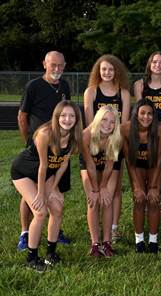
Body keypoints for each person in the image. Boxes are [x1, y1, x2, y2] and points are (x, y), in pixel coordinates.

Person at [11, 100, 83, 272]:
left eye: (71, 116)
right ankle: (32, 257)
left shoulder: (75, 137)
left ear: (77, 119)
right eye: (63, 115)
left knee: (57, 207)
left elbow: (63, 164)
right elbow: (42, 166)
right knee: (41, 211)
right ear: (56, 117)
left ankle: (51, 254)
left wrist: (52, 189)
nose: (67, 119)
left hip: (48, 173)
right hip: (24, 171)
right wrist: (42, 193)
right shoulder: (45, 133)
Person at [17, 50, 72, 252]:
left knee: (55, 192)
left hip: (58, 149)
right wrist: (29, 141)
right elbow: (22, 117)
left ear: (64, 66)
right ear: (44, 64)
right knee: (31, 193)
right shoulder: (34, 86)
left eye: (60, 65)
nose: (57, 69)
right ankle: (25, 233)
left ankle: (55, 231)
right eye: (53, 65)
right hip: (39, 146)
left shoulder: (65, 85)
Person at [84, 54, 131, 243]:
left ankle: (113, 228)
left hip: (115, 144)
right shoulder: (92, 91)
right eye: (103, 69)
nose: (107, 73)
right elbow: (90, 122)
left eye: (111, 69)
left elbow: (125, 123)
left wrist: (113, 142)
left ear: (116, 71)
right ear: (98, 70)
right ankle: (96, 236)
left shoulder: (124, 93)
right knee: (95, 192)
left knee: (114, 191)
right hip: (95, 144)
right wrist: (98, 142)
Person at [121, 99, 161, 254]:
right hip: (137, 165)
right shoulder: (126, 129)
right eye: (142, 113)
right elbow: (129, 161)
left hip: (155, 165)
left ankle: (153, 241)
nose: (146, 117)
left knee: (154, 200)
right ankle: (139, 241)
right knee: (139, 199)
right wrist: (138, 187)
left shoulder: (160, 129)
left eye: (149, 114)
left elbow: (160, 158)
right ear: (136, 114)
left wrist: (154, 187)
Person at [134, 51, 161, 212]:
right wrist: (149, 127)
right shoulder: (140, 85)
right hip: (144, 125)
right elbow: (139, 111)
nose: (158, 65)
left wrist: (159, 127)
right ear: (149, 64)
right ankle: (143, 191)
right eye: (154, 62)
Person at [80, 106, 122, 257]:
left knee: (107, 199)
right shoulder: (85, 135)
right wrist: (96, 189)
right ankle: (95, 244)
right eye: (104, 119)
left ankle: (107, 242)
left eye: (112, 122)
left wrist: (103, 186)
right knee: (93, 200)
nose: (107, 124)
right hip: (89, 164)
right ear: (97, 120)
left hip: (108, 166)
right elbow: (90, 165)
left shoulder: (116, 137)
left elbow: (110, 165)